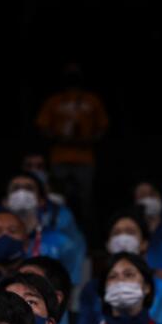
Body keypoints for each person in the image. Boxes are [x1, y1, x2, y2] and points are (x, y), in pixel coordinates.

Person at [77, 209, 162, 324]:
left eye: (130, 232)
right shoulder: (91, 289)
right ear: (107, 244)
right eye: (116, 232)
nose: (123, 238)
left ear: (144, 244)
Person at [33, 63, 109, 221]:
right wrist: (58, 138)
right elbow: (42, 127)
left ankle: (88, 236)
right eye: (69, 74)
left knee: (86, 200)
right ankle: (57, 227)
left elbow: (102, 127)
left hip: (85, 158)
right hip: (59, 157)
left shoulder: (91, 100)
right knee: (58, 198)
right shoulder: (54, 101)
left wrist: (89, 140)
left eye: (75, 73)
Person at [0, 173, 84, 284]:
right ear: (5, 201)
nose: (22, 193)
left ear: (41, 201)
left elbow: (69, 285)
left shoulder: (62, 242)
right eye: (16, 188)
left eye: (29, 188)